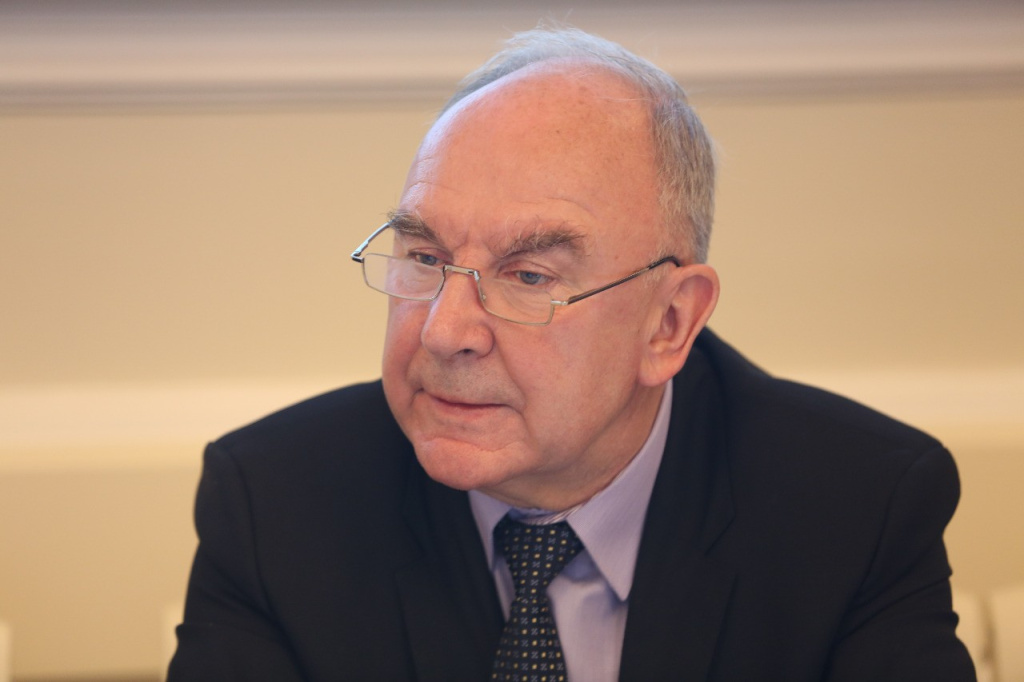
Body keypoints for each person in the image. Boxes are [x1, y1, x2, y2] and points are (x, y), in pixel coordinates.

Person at [168, 26, 976, 682]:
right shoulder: (275, 505)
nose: (446, 331)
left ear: (669, 323)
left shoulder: (857, 509)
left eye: (528, 277)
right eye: (424, 257)